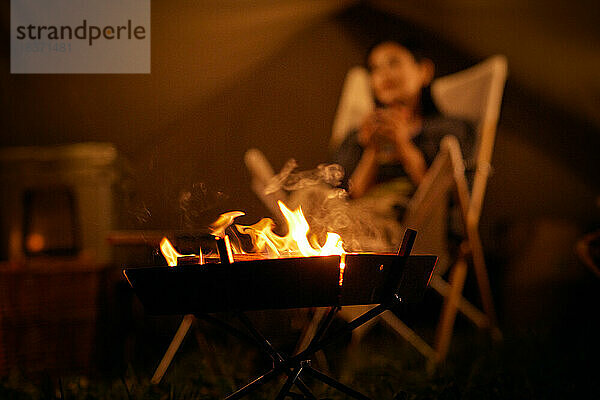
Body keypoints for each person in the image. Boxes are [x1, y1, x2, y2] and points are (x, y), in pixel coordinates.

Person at [334, 41, 475, 215]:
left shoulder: (450, 131)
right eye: (375, 68)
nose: (383, 74)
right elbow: (344, 199)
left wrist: (403, 146)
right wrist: (372, 151)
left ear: (424, 71)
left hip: (407, 228)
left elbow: (449, 205)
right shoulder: (357, 137)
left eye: (393, 63)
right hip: (354, 222)